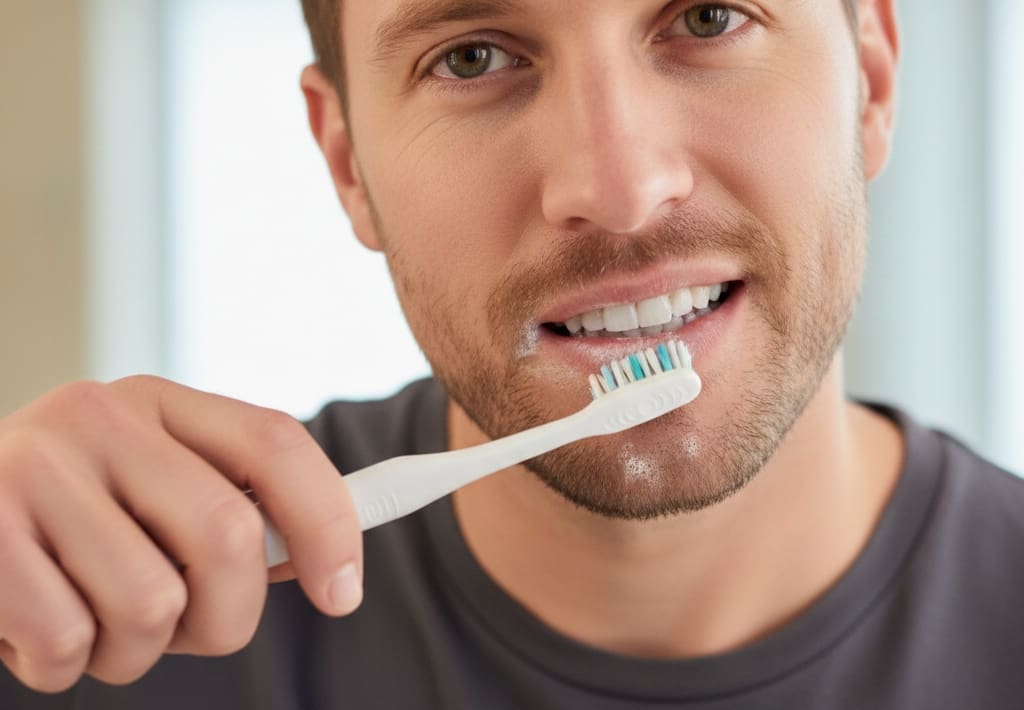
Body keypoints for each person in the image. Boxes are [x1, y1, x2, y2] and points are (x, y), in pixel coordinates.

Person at [2, 0, 1022, 707]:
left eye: (709, 17)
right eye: (472, 56)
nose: (617, 186)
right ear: (347, 162)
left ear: (872, 82)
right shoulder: (102, 629)